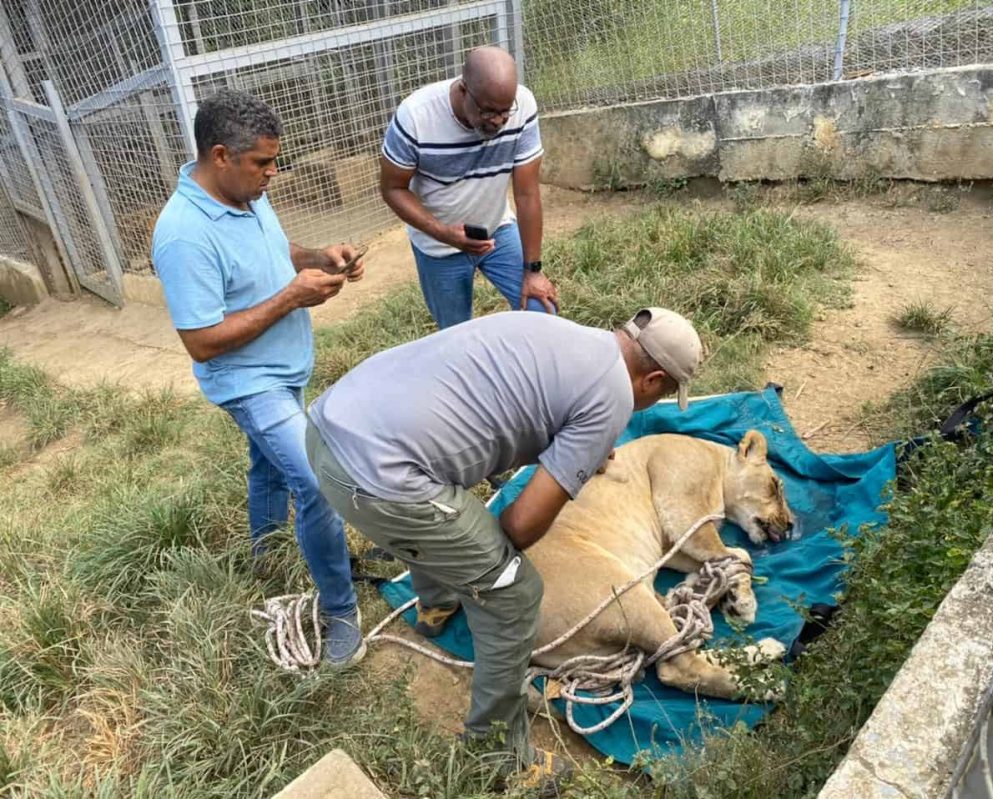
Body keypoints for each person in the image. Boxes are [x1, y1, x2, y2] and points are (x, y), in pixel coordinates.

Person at [305, 308, 703, 788]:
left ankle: (435, 606)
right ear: (653, 379)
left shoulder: (567, 334)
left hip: (330, 425)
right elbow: (520, 524)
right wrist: (491, 570)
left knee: (451, 507)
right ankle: (497, 756)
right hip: (378, 479)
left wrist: (574, 451)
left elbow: (512, 411)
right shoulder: (613, 396)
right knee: (513, 591)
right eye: (663, 393)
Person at [151, 90, 367, 667]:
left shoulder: (244, 194)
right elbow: (200, 341)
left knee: (268, 466)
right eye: (263, 164)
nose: (274, 173)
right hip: (248, 380)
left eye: (275, 160)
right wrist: (290, 297)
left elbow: (273, 248)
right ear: (220, 155)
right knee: (318, 480)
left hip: (284, 366)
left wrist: (318, 257)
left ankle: (267, 561)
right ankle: (339, 609)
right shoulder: (183, 234)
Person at [379, 45, 559, 329]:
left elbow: (527, 193)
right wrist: (444, 234)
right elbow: (392, 188)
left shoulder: (523, 105)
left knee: (541, 311)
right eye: (488, 112)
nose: (499, 121)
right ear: (464, 91)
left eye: (504, 111)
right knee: (456, 336)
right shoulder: (415, 116)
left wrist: (533, 270)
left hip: (497, 230)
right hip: (438, 245)